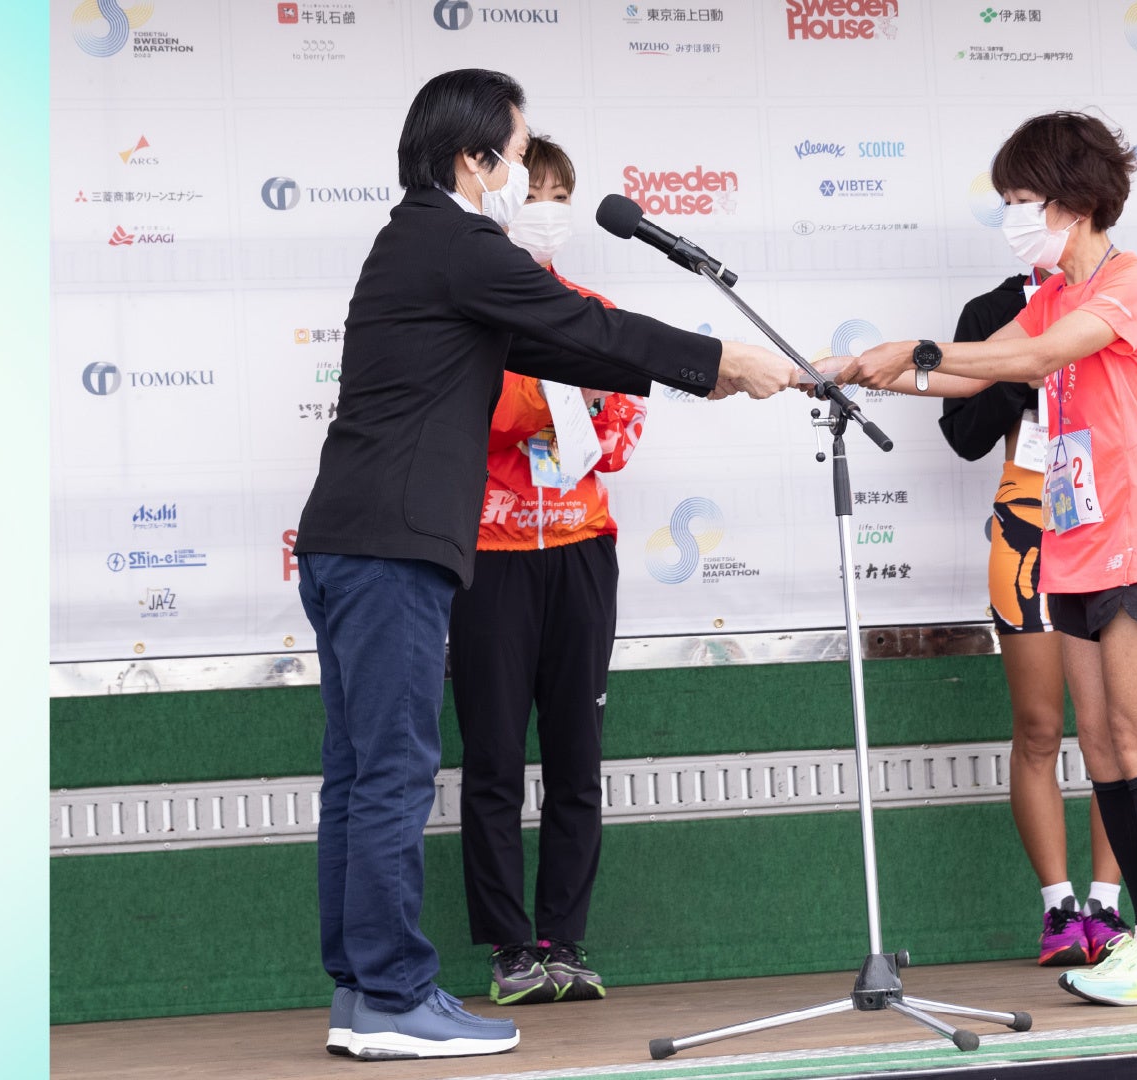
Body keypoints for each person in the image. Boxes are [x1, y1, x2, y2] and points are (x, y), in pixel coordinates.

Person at [294, 69, 796, 1061]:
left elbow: (558, 348)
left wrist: (698, 379)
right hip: (391, 546)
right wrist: (720, 360)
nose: (527, 178)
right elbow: (581, 323)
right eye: (520, 157)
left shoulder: (421, 242)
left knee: (359, 775)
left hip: (352, 541)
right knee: (389, 773)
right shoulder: (457, 241)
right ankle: (393, 993)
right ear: (473, 157)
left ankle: (362, 993)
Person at [819, 111, 1137, 1006]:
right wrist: (854, 369)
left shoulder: (1131, 285)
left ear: (1075, 203)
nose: (1012, 216)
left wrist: (917, 349)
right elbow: (987, 371)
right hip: (1070, 544)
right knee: (1101, 748)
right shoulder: (1051, 295)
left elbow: (1039, 354)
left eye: (1023, 199)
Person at [942, 276, 1137, 969]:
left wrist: (1081, 390)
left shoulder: (1114, 293)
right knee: (1039, 726)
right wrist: (1027, 374)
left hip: (1104, 511)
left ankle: (1110, 904)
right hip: (1028, 517)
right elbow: (963, 433)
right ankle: (1058, 905)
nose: (1031, 226)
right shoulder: (995, 311)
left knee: (1117, 731)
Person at [450, 135, 634, 1008]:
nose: (547, 210)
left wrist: (572, 411)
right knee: (492, 757)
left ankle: (565, 937)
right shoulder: (467, 315)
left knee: (576, 757)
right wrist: (550, 404)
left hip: (581, 549)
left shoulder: (595, 312)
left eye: (560, 195)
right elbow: (471, 422)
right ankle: (508, 947)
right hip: (488, 558)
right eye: (534, 193)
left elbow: (620, 438)